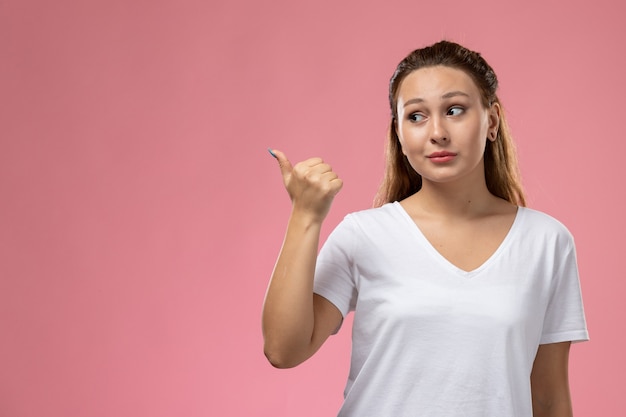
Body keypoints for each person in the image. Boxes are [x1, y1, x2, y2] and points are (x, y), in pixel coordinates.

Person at [262, 40, 588, 417]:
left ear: (492, 121)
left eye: (454, 110)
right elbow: (283, 350)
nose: (437, 132)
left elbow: (548, 398)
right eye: (416, 116)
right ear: (399, 135)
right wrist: (306, 215)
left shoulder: (547, 242)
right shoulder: (363, 236)